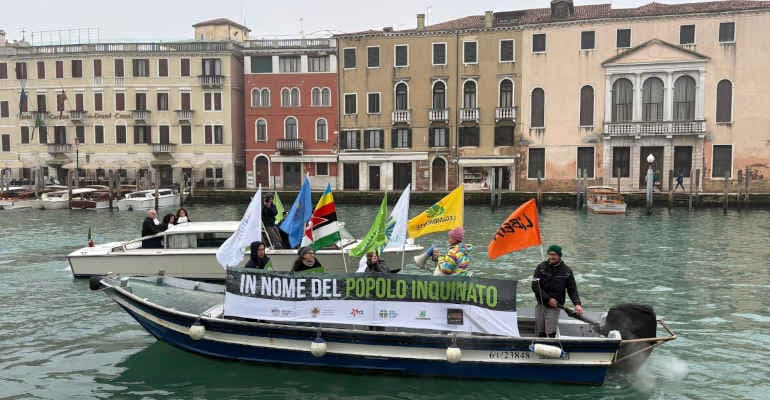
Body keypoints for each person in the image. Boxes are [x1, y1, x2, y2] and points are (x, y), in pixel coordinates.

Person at [531, 245, 583, 338]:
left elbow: (572, 290)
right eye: (550, 254)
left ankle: (550, 347)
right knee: (540, 332)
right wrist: (548, 299)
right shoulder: (541, 267)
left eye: (554, 254)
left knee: (550, 332)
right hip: (541, 305)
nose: (551, 257)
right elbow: (535, 286)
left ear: (559, 256)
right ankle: (539, 348)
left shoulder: (567, 271)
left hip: (554, 307)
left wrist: (577, 304)